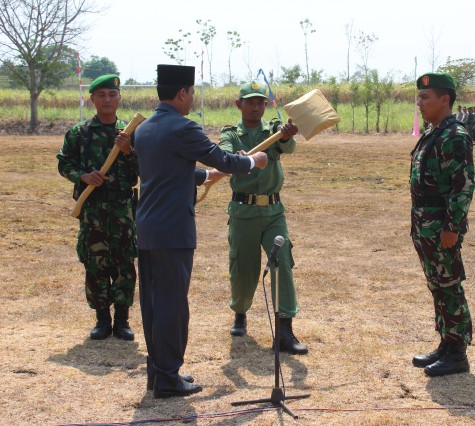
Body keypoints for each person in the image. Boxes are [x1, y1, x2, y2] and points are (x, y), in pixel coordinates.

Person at [134, 65, 268, 398]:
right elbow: (227, 160)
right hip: (172, 230)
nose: (192, 99)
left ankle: (158, 369)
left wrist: (207, 175)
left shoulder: (145, 128)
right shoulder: (183, 127)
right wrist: (255, 161)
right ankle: (168, 376)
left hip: (148, 228)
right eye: (191, 93)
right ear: (182, 93)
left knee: (153, 304)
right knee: (172, 305)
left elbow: (171, 171)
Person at [215, 81, 308, 355]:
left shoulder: (274, 130)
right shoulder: (231, 133)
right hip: (243, 211)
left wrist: (287, 136)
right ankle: (240, 312)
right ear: (239, 104)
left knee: (282, 264)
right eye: (250, 101)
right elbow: (225, 154)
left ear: (265, 105)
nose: (256, 106)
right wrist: (238, 157)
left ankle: (285, 331)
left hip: (273, 212)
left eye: (260, 102)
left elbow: (288, 149)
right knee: (244, 269)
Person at [57, 74, 138, 341]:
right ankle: (102, 319)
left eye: (112, 95)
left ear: (119, 98)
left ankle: (123, 320)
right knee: (96, 264)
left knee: (124, 263)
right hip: (92, 210)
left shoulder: (131, 132)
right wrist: (82, 175)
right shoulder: (79, 132)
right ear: (91, 99)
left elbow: (144, 171)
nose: (107, 100)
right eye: (101, 95)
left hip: (123, 210)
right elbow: (64, 163)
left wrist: (128, 151)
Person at [409, 72, 475, 377]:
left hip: (440, 226)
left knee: (449, 284)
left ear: (445, 100)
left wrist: (452, 228)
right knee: (436, 283)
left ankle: (458, 351)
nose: (419, 102)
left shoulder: (454, 135)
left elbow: (462, 186)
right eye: (419, 97)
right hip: (425, 223)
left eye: (425, 97)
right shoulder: (433, 131)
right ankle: (446, 343)